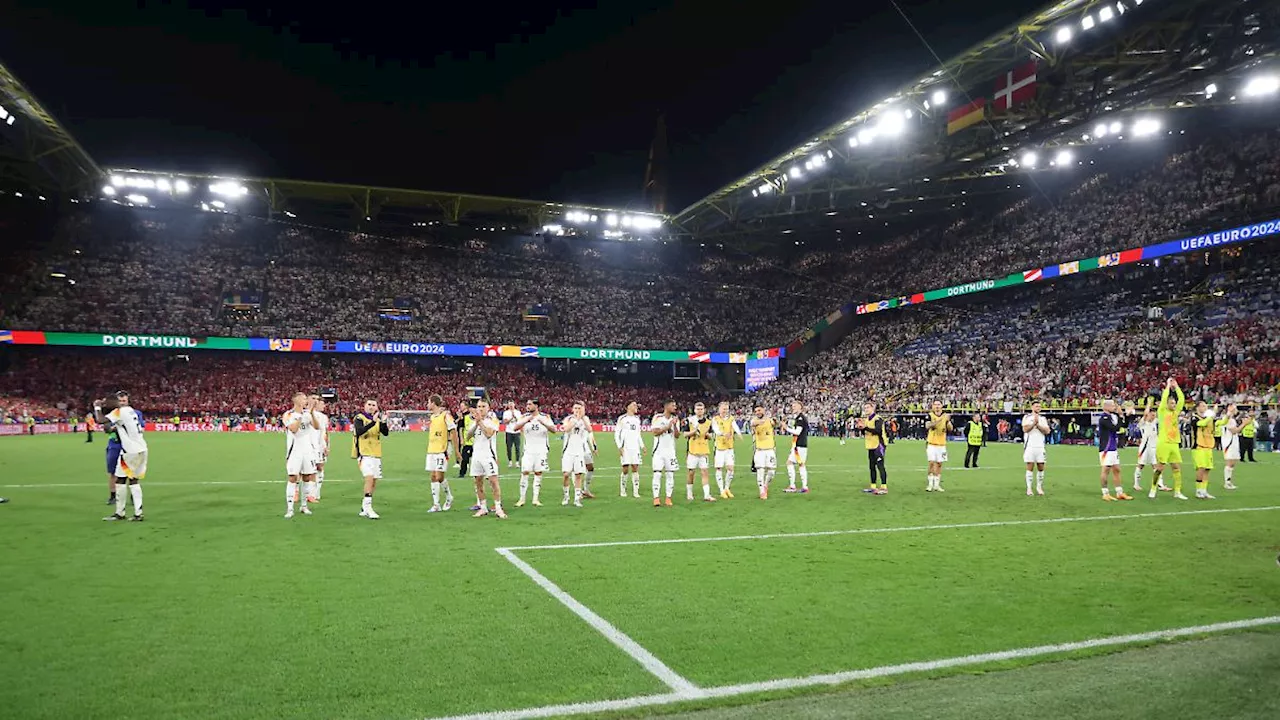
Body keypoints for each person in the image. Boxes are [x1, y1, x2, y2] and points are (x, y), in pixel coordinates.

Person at [98, 391, 147, 521]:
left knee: (132, 481)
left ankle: (138, 514)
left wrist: (97, 407)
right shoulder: (130, 410)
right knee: (120, 479)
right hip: (138, 448)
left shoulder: (119, 412)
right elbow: (111, 427)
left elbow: (101, 420)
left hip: (131, 451)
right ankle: (120, 513)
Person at [513, 399, 555, 507]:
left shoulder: (545, 417)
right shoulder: (524, 416)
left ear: (536, 406)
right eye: (527, 404)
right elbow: (515, 428)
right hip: (528, 450)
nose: (527, 406)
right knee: (525, 472)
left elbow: (554, 430)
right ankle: (522, 499)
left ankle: (535, 499)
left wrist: (544, 423)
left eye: (530, 404)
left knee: (538, 473)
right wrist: (526, 420)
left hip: (541, 450)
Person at [468, 400, 506, 518]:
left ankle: (498, 508)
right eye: (479, 406)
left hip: (488, 456)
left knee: (493, 482)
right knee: (478, 482)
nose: (480, 409)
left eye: (483, 406)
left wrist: (480, 423)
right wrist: (476, 423)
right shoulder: (474, 422)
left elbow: (489, 434)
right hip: (476, 456)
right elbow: (468, 436)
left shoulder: (492, 421)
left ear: (488, 408)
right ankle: (483, 508)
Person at [351, 399, 388, 519]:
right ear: (364, 406)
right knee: (369, 478)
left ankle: (364, 507)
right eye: (369, 405)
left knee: (374, 481)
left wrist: (383, 422)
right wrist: (373, 422)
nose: (371, 407)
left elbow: (385, 433)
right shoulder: (359, 418)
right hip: (364, 453)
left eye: (373, 405)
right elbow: (359, 431)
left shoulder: (377, 419)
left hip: (376, 454)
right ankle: (368, 508)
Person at [1154, 378, 1188, 500]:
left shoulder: (1176, 413)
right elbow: (1164, 399)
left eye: (1174, 403)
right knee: (1160, 467)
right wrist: (1168, 386)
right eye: (1172, 403)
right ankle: (1153, 488)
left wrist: (1177, 387)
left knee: (1176, 467)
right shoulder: (1162, 411)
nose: (1174, 405)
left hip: (1174, 443)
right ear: (1167, 404)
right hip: (1163, 442)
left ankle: (1177, 492)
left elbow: (1182, 400)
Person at [425, 394, 460, 512]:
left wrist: (456, 450)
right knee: (433, 477)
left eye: (428, 402)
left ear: (433, 403)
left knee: (439, 477)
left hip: (442, 450)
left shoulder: (445, 415)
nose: (427, 404)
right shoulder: (432, 417)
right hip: (431, 450)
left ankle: (449, 497)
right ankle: (436, 505)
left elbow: (453, 430)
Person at [1096, 400, 1134, 501]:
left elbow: (1124, 425)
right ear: (1106, 406)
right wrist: (1121, 415)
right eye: (1113, 405)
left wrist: (1127, 415)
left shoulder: (1113, 416)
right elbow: (1115, 428)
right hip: (1106, 448)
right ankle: (1105, 493)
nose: (1115, 407)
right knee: (1106, 470)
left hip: (1113, 447)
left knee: (1117, 469)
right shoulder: (1103, 418)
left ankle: (1119, 492)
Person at [561, 401, 592, 507]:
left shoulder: (585, 419)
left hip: (579, 451)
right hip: (568, 450)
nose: (577, 410)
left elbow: (589, 429)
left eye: (579, 408)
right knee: (566, 474)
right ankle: (566, 497)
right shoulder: (569, 419)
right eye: (575, 408)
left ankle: (577, 499)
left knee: (578, 475)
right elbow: (566, 429)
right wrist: (576, 419)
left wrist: (582, 418)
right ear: (572, 409)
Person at [683, 402, 716, 502]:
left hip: (704, 451)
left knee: (704, 472)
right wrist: (694, 432)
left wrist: (708, 435)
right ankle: (689, 493)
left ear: (704, 410)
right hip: (692, 450)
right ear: (694, 410)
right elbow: (684, 434)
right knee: (691, 472)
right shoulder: (690, 421)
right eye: (698, 409)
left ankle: (707, 495)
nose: (700, 411)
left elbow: (711, 436)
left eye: (701, 409)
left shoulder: (709, 422)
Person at [1133, 403, 1169, 493]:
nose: (1153, 417)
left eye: (1154, 415)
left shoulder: (1155, 422)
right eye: (1152, 415)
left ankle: (1160, 484)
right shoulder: (1143, 422)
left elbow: (1163, 415)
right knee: (1141, 465)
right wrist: (1148, 405)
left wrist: (1161, 405)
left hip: (1154, 447)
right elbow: (1145, 414)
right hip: (1145, 448)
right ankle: (1136, 484)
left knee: (1156, 466)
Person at [651, 400, 681, 507]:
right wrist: (667, 427)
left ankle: (668, 498)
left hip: (670, 452)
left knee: (670, 474)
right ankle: (656, 498)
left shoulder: (676, 419)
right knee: (657, 474)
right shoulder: (657, 418)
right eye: (673, 405)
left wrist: (675, 426)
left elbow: (677, 436)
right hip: (658, 452)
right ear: (666, 406)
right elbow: (655, 432)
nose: (675, 407)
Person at [711, 401, 742, 499]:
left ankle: (727, 488)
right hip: (719, 447)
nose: (725, 411)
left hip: (729, 447)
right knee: (719, 468)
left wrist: (739, 433)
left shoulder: (731, 418)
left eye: (727, 409)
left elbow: (735, 426)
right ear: (719, 409)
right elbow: (715, 429)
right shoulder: (715, 419)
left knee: (730, 468)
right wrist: (723, 434)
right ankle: (721, 490)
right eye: (723, 409)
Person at [98, 397, 126, 506]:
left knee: (130, 472)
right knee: (113, 472)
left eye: (123, 400)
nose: (121, 402)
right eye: (120, 400)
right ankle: (113, 496)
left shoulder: (130, 413)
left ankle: (133, 495)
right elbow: (107, 429)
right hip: (114, 445)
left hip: (127, 446)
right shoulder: (110, 415)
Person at [614, 401, 644, 498]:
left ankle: (636, 492)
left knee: (635, 468)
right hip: (625, 447)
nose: (636, 406)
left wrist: (642, 446)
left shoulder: (637, 419)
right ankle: (623, 490)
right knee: (625, 468)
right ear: (628, 407)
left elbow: (638, 434)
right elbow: (616, 434)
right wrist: (619, 446)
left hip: (635, 447)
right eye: (634, 405)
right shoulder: (622, 418)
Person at [858, 402, 888, 495]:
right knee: (872, 466)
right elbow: (866, 432)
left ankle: (884, 486)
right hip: (870, 445)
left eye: (867, 407)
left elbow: (877, 431)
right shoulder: (866, 419)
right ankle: (873, 486)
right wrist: (861, 428)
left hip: (879, 445)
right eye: (865, 408)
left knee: (880, 465)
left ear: (873, 408)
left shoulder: (878, 419)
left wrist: (865, 427)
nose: (866, 409)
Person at [1021, 401, 1050, 496]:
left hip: (1040, 446)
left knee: (1041, 467)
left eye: (1039, 406)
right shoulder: (1027, 417)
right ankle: (1029, 488)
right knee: (1030, 467)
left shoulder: (1043, 419)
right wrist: (1033, 423)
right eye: (1036, 406)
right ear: (1032, 407)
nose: (1038, 408)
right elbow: (1025, 429)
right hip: (1030, 446)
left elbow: (1047, 431)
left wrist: (1038, 425)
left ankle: (1039, 487)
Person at [749, 404, 777, 500]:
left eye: (759, 410)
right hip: (759, 450)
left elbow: (775, 423)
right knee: (760, 470)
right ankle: (762, 492)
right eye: (756, 411)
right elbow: (753, 423)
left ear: (764, 410)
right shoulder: (754, 420)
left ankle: (765, 486)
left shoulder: (770, 420)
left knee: (772, 472)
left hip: (770, 449)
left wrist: (775, 421)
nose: (758, 412)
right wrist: (762, 421)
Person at [783, 400, 811, 494]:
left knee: (792, 463)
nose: (793, 408)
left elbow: (797, 432)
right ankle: (803, 486)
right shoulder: (799, 418)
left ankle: (794, 486)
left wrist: (786, 428)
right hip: (799, 445)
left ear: (800, 407)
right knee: (798, 464)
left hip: (799, 445)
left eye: (795, 406)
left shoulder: (800, 418)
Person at [1192, 401, 1217, 500]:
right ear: (1197, 408)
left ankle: (1204, 490)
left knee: (1207, 469)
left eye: (1206, 406)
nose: (1205, 408)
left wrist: (1229, 414)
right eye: (1203, 406)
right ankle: (1198, 490)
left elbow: (1220, 423)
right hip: (1198, 447)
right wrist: (1211, 416)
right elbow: (1201, 424)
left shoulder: (1208, 418)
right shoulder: (1194, 418)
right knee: (1201, 468)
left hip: (1208, 447)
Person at [309, 394, 330, 502]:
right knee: (306, 470)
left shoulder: (323, 417)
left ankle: (315, 493)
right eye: (314, 399)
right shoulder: (304, 414)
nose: (323, 405)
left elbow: (324, 433)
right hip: (308, 446)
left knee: (319, 468)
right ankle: (304, 493)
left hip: (319, 446)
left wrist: (326, 446)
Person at [1221, 404, 1240, 491]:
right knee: (1229, 463)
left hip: (1233, 442)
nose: (1236, 410)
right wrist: (1244, 424)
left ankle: (1229, 482)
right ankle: (1227, 482)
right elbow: (1234, 431)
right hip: (1229, 443)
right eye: (1234, 408)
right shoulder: (1228, 419)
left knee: (1232, 463)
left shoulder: (1231, 419)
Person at [501, 400, 523, 469]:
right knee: (508, 447)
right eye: (509, 404)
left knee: (517, 448)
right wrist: (511, 418)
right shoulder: (506, 413)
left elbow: (520, 421)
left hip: (517, 432)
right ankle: (510, 461)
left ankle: (517, 462)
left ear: (514, 405)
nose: (511, 406)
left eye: (512, 404)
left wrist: (515, 416)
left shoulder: (518, 412)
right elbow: (505, 422)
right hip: (509, 432)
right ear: (508, 406)